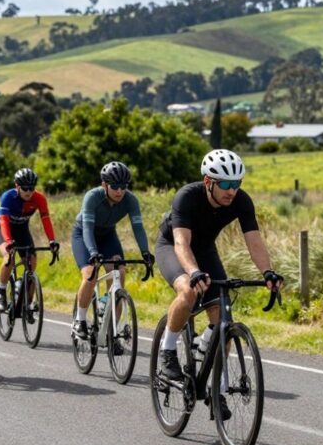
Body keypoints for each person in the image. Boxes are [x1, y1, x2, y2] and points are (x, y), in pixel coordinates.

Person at [154, 149, 283, 419]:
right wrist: (193, 272)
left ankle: (216, 389)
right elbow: (181, 243)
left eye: (236, 184)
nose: (231, 191)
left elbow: (255, 241)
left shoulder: (241, 201)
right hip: (173, 247)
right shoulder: (187, 197)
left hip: (205, 249)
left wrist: (268, 272)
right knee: (188, 291)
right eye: (225, 184)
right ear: (208, 181)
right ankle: (167, 352)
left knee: (223, 318)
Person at [70, 161, 154, 342]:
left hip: (108, 235)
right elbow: (87, 229)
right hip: (84, 234)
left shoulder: (130, 200)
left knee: (119, 272)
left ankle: (112, 331)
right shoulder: (92, 197)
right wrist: (93, 252)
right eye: (115, 186)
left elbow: (138, 228)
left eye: (124, 186)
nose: (120, 191)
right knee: (90, 275)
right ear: (104, 185)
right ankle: (80, 320)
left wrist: (145, 253)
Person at [0, 168, 59, 312]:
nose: (29, 191)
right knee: (8, 256)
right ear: (17, 186)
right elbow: (3, 221)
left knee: (32, 262)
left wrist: (52, 240)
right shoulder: (8, 197)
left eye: (32, 188)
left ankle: (27, 302)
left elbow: (46, 220)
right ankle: (1, 292)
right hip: (4, 230)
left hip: (22, 230)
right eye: (25, 188)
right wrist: (9, 241)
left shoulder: (39, 199)